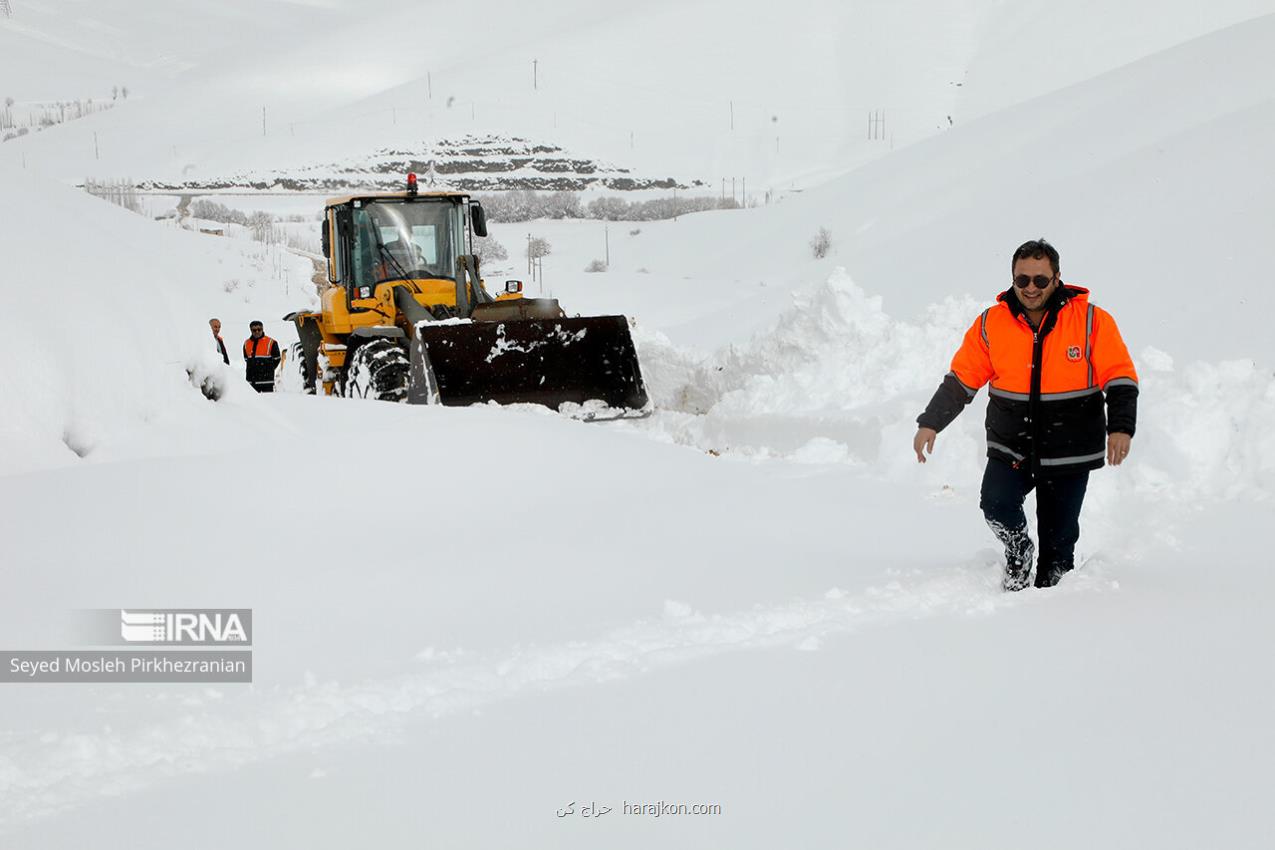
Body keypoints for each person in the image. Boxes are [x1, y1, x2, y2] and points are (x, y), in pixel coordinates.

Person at [913, 239, 1138, 590]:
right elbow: (962, 379)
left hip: (1070, 447)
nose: (1030, 288)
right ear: (1012, 279)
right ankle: (1019, 550)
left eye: (1040, 280)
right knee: (995, 503)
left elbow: (1120, 376)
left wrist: (1121, 427)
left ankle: (1047, 613)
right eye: (1022, 280)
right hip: (1012, 443)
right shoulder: (992, 323)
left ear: (1057, 278)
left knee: (1059, 548)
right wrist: (931, 422)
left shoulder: (1092, 320)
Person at [243, 321, 281, 393]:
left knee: (268, 403)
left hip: (267, 383)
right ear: (251, 330)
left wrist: (268, 370)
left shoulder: (271, 342)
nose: (257, 332)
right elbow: (246, 359)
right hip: (251, 383)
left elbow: (277, 359)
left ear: (262, 329)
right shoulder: (246, 343)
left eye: (259, 329)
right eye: (254, 330)